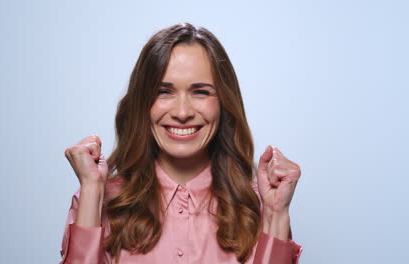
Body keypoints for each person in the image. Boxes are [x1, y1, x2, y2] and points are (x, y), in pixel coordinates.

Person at [59, 22, 303, 264]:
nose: (183, 112)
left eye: (200, 92)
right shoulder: (99, 199)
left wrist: (275, 215)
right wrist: (91, 189)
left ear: (223, 103)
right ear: (143, 103)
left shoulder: (258, 206)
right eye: (164, 92)